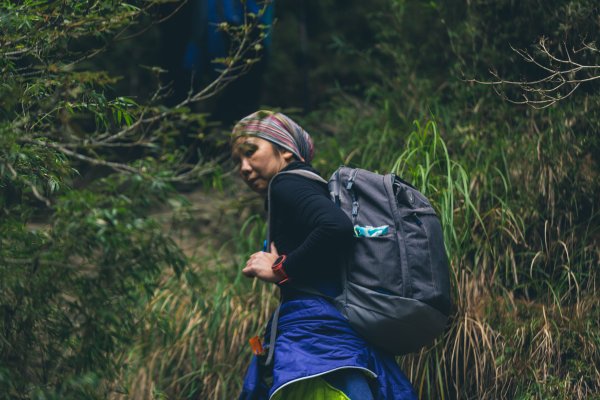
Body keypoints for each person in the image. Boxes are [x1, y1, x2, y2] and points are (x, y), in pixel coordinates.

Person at [231, 110, 417, 399]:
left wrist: (280, 268)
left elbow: (336, 228)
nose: (243, 167)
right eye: (237, 161)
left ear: (285, 151)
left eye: (251, 152)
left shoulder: (286, 184)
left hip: (316, 339)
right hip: (338, 332)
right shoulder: (310, 186)